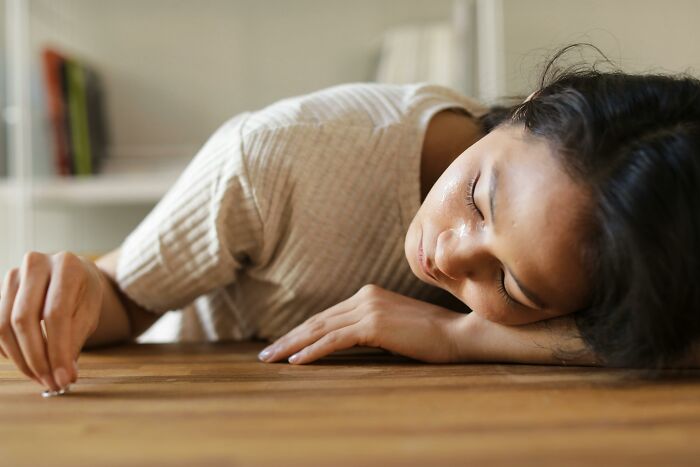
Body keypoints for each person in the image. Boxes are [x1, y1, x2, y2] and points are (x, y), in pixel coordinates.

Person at [2, 45, 699, 393]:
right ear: (530, 105)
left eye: (512, 287)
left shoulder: (611, 255)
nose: (452, 258)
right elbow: (126, 297)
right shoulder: (279, 156)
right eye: (479, 200)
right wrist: (79, 290)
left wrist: (459, 334)